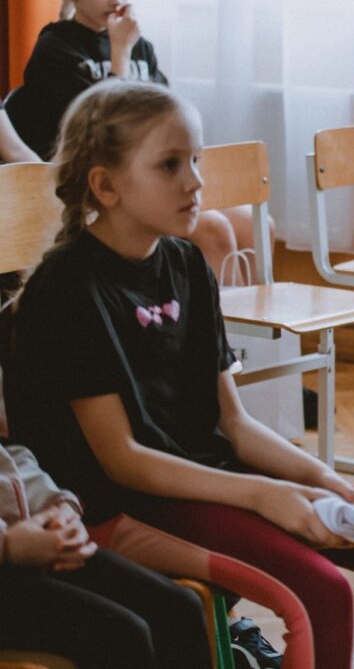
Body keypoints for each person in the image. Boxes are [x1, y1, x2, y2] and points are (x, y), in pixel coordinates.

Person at [6, 80, 354, 669]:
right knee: (322, 594)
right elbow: (125, 461)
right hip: (126, 504)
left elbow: (235, 424)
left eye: (196, 159)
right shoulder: (67, 288)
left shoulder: (187, 263)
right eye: (170, 165)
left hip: (209, 477)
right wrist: (265, 495)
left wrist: (325, 478)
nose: (195, 181)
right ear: (106, 185)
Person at [6, 0, 258, 275]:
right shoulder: (56, 48)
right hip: (97, 187)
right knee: (215, 231)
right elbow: (103, 131)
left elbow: (167, 119)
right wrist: (120, 53)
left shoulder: (139, 46)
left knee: (253, 224)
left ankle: (245, 311)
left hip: (149, 176)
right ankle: (205, 312)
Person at [0, 274, 211, 669]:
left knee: (179, 607)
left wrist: (61, 510)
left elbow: (10, 451)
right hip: (10, 555)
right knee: (123, 634)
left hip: (29, 543)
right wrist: (9, 546)